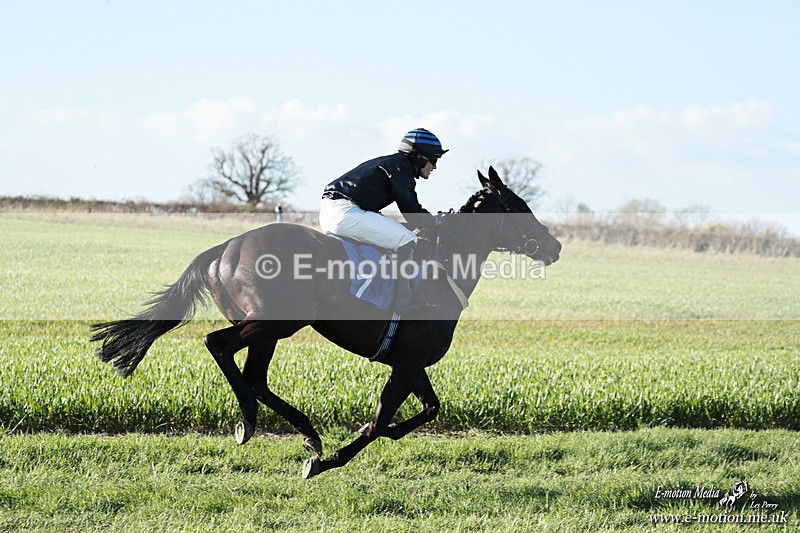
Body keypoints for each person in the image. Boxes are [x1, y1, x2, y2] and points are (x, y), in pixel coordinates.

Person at [319, 128, 447, 314]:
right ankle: (404, 301)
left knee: (398, 233)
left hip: (335, 212)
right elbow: (414, 214)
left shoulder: (395, 165)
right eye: (433, 160)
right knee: (407, 239)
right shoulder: (401, 169)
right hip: (345, 213)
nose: (434, 167)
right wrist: (437, 221)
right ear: (420, 157)